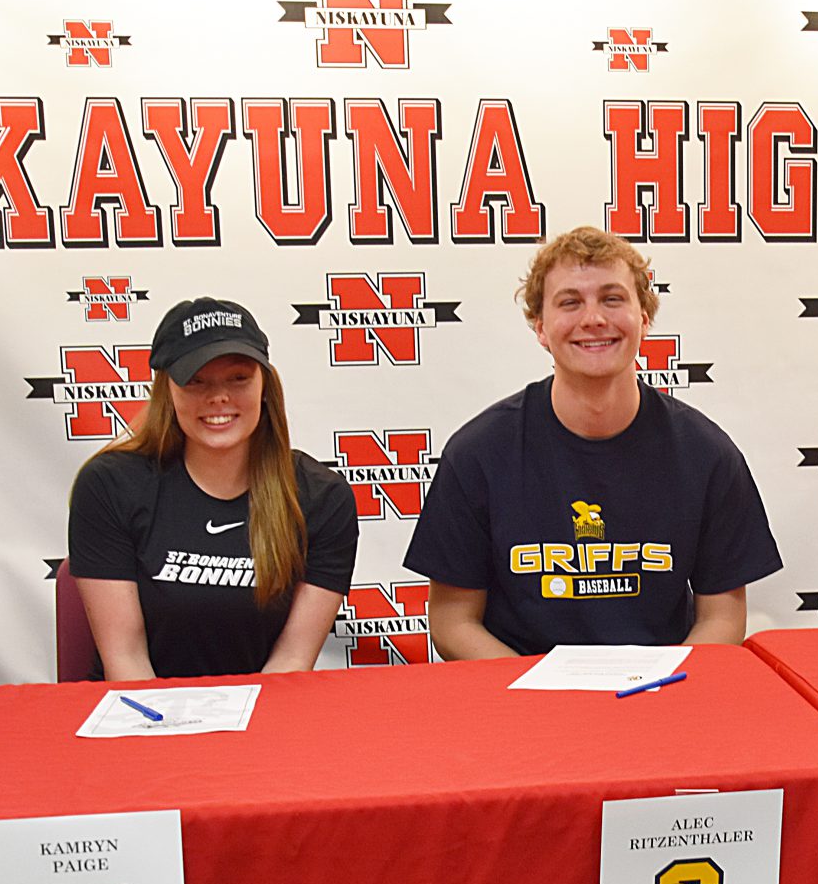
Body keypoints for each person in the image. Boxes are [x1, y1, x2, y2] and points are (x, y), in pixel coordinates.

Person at [403, 227, 781, 658]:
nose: (593, 318)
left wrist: (665, 686)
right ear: (541, 327)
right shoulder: (477, 455)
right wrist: (539, 697)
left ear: (644, 317)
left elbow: (722, 617)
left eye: (612, 298)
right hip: (524, 700)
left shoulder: (706, 454)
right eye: (570, 302)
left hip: (660, 696)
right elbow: (453, 620)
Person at [67, 297, 357, 678]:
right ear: (167, 392)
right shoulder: (109, 485)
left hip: (265, 715)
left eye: (238, 378)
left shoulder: (322, 497)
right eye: (196, 380)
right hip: (143, 716)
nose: (218, 397)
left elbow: (291, 662)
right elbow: (126, 661)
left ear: (265, 385)